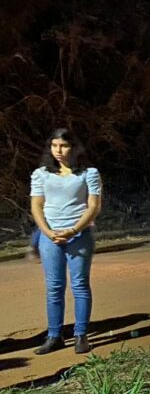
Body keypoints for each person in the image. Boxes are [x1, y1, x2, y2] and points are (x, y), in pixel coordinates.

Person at [29, 128, 102, 355]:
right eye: (54, 146)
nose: (59, 151)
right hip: (50, 237)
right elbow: (36, 206)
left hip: (79, 236)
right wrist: (47, 232)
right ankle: (54, 336)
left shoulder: (88, 173)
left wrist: (73, 230)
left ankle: (81, 335)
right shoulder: (41, 174)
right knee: (54, 288)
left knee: (79, 285)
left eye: (64, 146)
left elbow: (93, 206)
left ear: (74, 147)